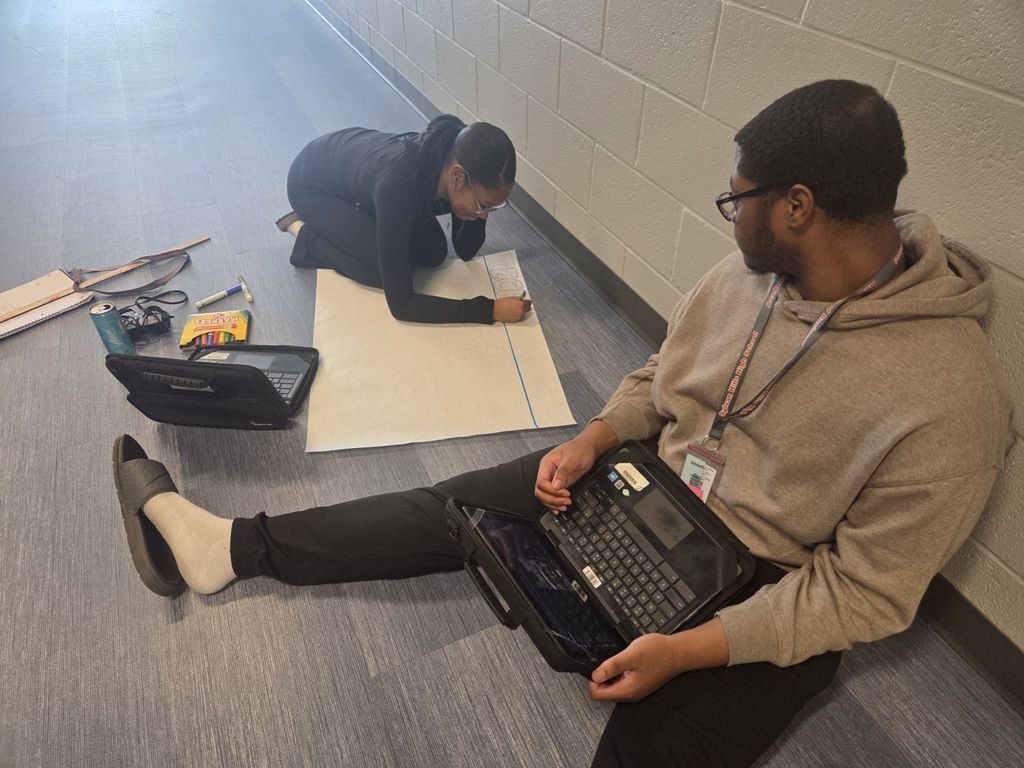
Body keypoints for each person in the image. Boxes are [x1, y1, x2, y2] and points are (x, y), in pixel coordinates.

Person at [113, 80, 1011, 767]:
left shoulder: (952, 397)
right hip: (649, 482)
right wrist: (595, 437)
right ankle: (233, 547)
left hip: (767, 581)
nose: (731, 217)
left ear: (799, 206)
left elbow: (866, 596)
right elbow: (662, 376)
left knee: (645, 744)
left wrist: (695, 650)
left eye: (739, 200)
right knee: (453, 509)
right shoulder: (745, 279)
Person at [276, 114, 531, 325]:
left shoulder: (452, 165)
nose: (483, 214)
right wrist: (489, 311)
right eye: (482, 205)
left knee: (433, 253)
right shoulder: (399, 187)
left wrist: (478, 210)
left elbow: (465, 250)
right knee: (382, 273)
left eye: (492, 207)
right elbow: (401, 305)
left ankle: (363, 218)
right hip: (313, 187)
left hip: (357, 176)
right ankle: (309, 238)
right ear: (457, 177)